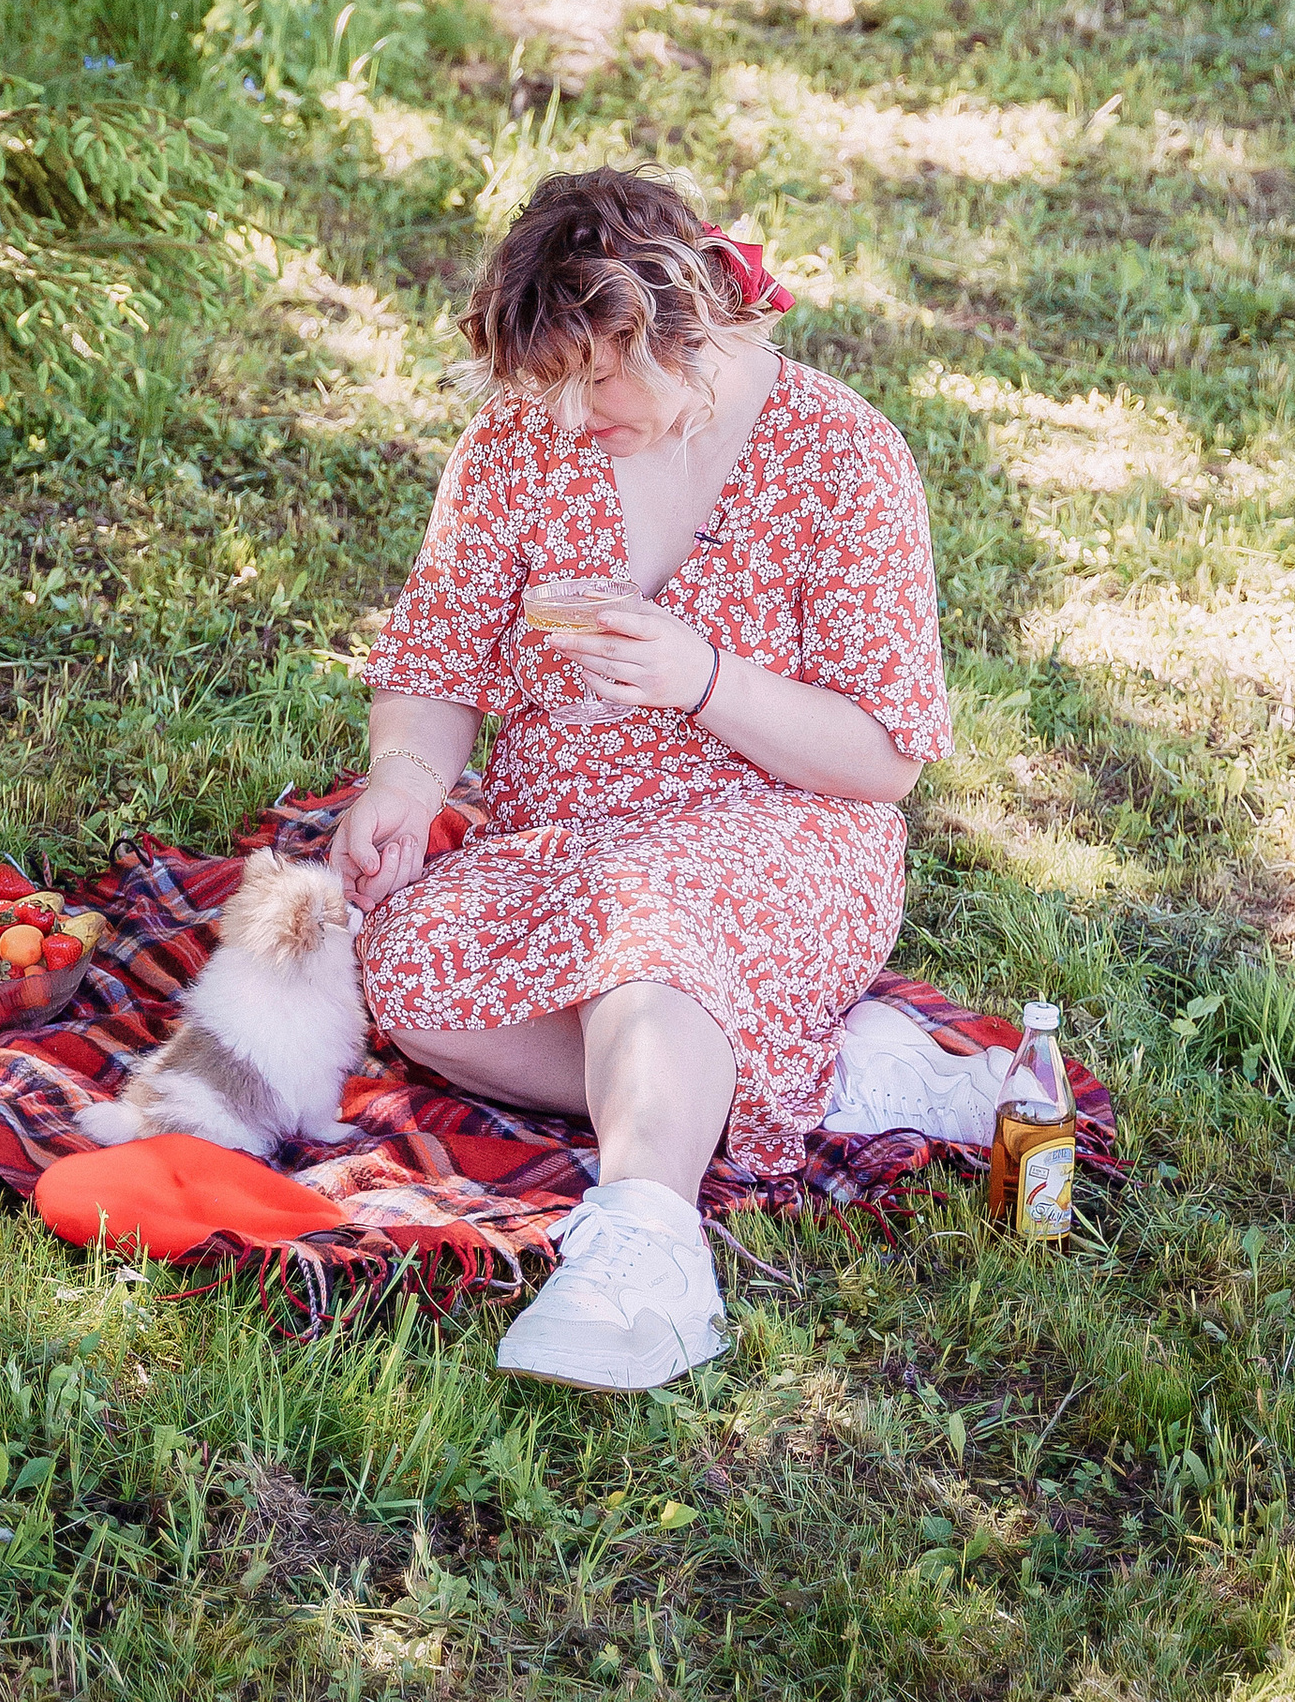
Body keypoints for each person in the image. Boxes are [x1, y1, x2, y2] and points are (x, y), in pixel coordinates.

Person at [339, 165, 951, 1393]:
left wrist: (704, 677)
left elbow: (881, 758)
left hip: (785, 832)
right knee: (407, 977)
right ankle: (811, 1071)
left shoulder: (840, 454)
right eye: (548, 384)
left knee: (655, 924)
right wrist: (405, 777)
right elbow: (437, 658)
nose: (569, 417)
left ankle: (645, 1253)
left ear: (689, 324)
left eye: (599, 375)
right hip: (567, 837)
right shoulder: (514, 448)